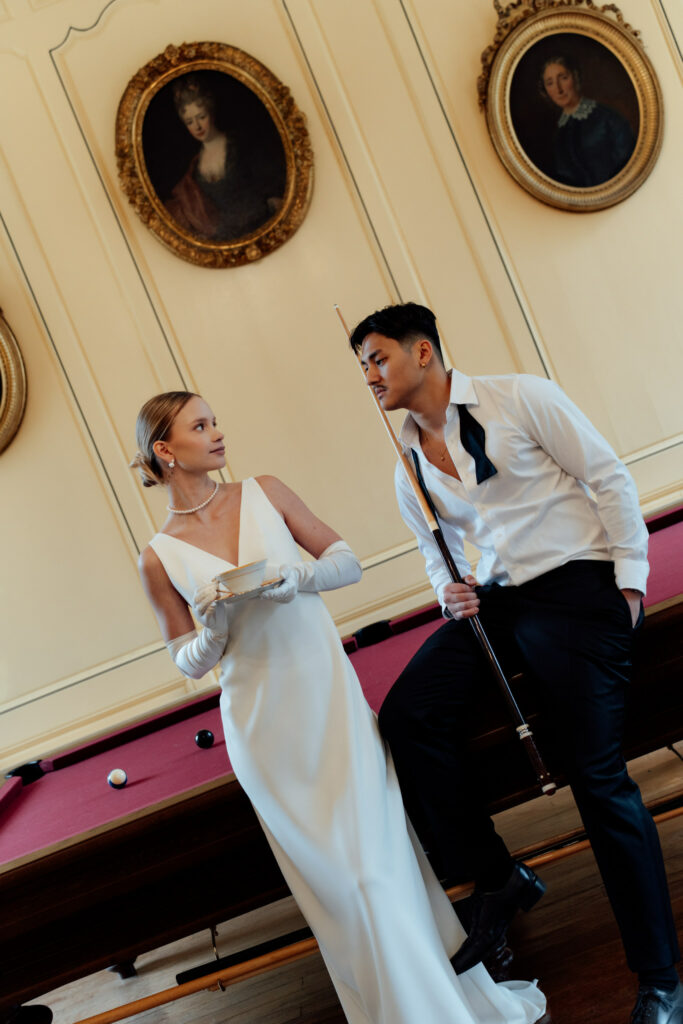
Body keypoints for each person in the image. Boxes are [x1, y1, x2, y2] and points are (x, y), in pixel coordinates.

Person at [130, 390, 547, 1024]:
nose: (218, 433)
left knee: (376, 872)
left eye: (216, 419)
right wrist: (213, 626)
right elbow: (185, 658)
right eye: (200, 425)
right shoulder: (158, 555)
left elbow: (346, 562)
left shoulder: (265, 491)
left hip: (333, 711)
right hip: (265, 735)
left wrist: (292, 579)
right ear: (165, 449)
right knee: (343, 895)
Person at [348, 303, 682, 1024]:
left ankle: (660, 980)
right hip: (495, 606)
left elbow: (608, 477)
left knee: (596, 778)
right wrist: (448, 593)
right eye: (362, 366)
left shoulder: (520, 396)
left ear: (424, 353)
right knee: (407, 716)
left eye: (377, 358)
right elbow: (431, 555)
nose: (368, 375)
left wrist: (629, 582)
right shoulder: (404, 459)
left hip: (574, 590)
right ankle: (499, 876)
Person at [164, 75, 285, 241]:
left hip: (262, 226)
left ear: (211, 113)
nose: (197, 126)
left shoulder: (241, 145)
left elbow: (273, 191)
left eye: (201, 117)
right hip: (225, 239)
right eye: (190, 121)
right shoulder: (194, 169)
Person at [538, 54, 635, 187]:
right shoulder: (559, 132)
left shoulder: (607, 118)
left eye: (564, 78)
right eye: (550, 83)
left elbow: (628, 162)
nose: (558, 89)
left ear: (576, 77)